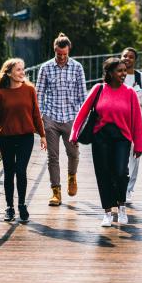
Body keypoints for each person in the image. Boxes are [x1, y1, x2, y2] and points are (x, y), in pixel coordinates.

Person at [71, 57, 142, 227]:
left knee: (120, 172)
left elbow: (137, 121)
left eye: (125, 70)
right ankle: (107, 212)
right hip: (101, 137)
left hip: (122, 138)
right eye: (119, 71)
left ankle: (121, 206)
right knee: (103, 173)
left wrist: (139, 144)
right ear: (110, 73)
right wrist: (74, 133)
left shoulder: (130, 93)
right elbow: (82, 113)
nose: (123, 74)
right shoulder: (99, 89)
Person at [0, 58, 47, 223]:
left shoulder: (29, 90)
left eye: (23, 69)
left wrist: (42, 135)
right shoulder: (0, 94)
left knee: (20, 171)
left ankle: (21, 204)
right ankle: (9, 207)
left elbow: (36, 113)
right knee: (8, 172)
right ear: (8, 73)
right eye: (18, 70)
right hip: (6, 138)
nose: (23, 73)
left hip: (25, 138)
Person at [35, 33, 87, 207]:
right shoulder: (46, 68)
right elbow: (39, 93)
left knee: (73, 153)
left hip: (71, 117)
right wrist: (41, 117)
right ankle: (56, 192)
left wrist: (81, 120)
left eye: (65, 54)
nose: (62, 58)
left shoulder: (77, 67)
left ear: (68, 50)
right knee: (53, 156)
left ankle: (72, 176)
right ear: (55, 51)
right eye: (59, 55)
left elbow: (82, 95)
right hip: (51, 116)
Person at [121, 47, 142, 203]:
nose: (127, 58)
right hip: (119, 122)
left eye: (131, 57)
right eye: (125, 56)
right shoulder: (115, 75)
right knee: (119, 156)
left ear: (135, 60)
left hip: (137, 122)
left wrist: (135, 91)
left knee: (135, 155)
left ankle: (128, 189)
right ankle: (118, 186)